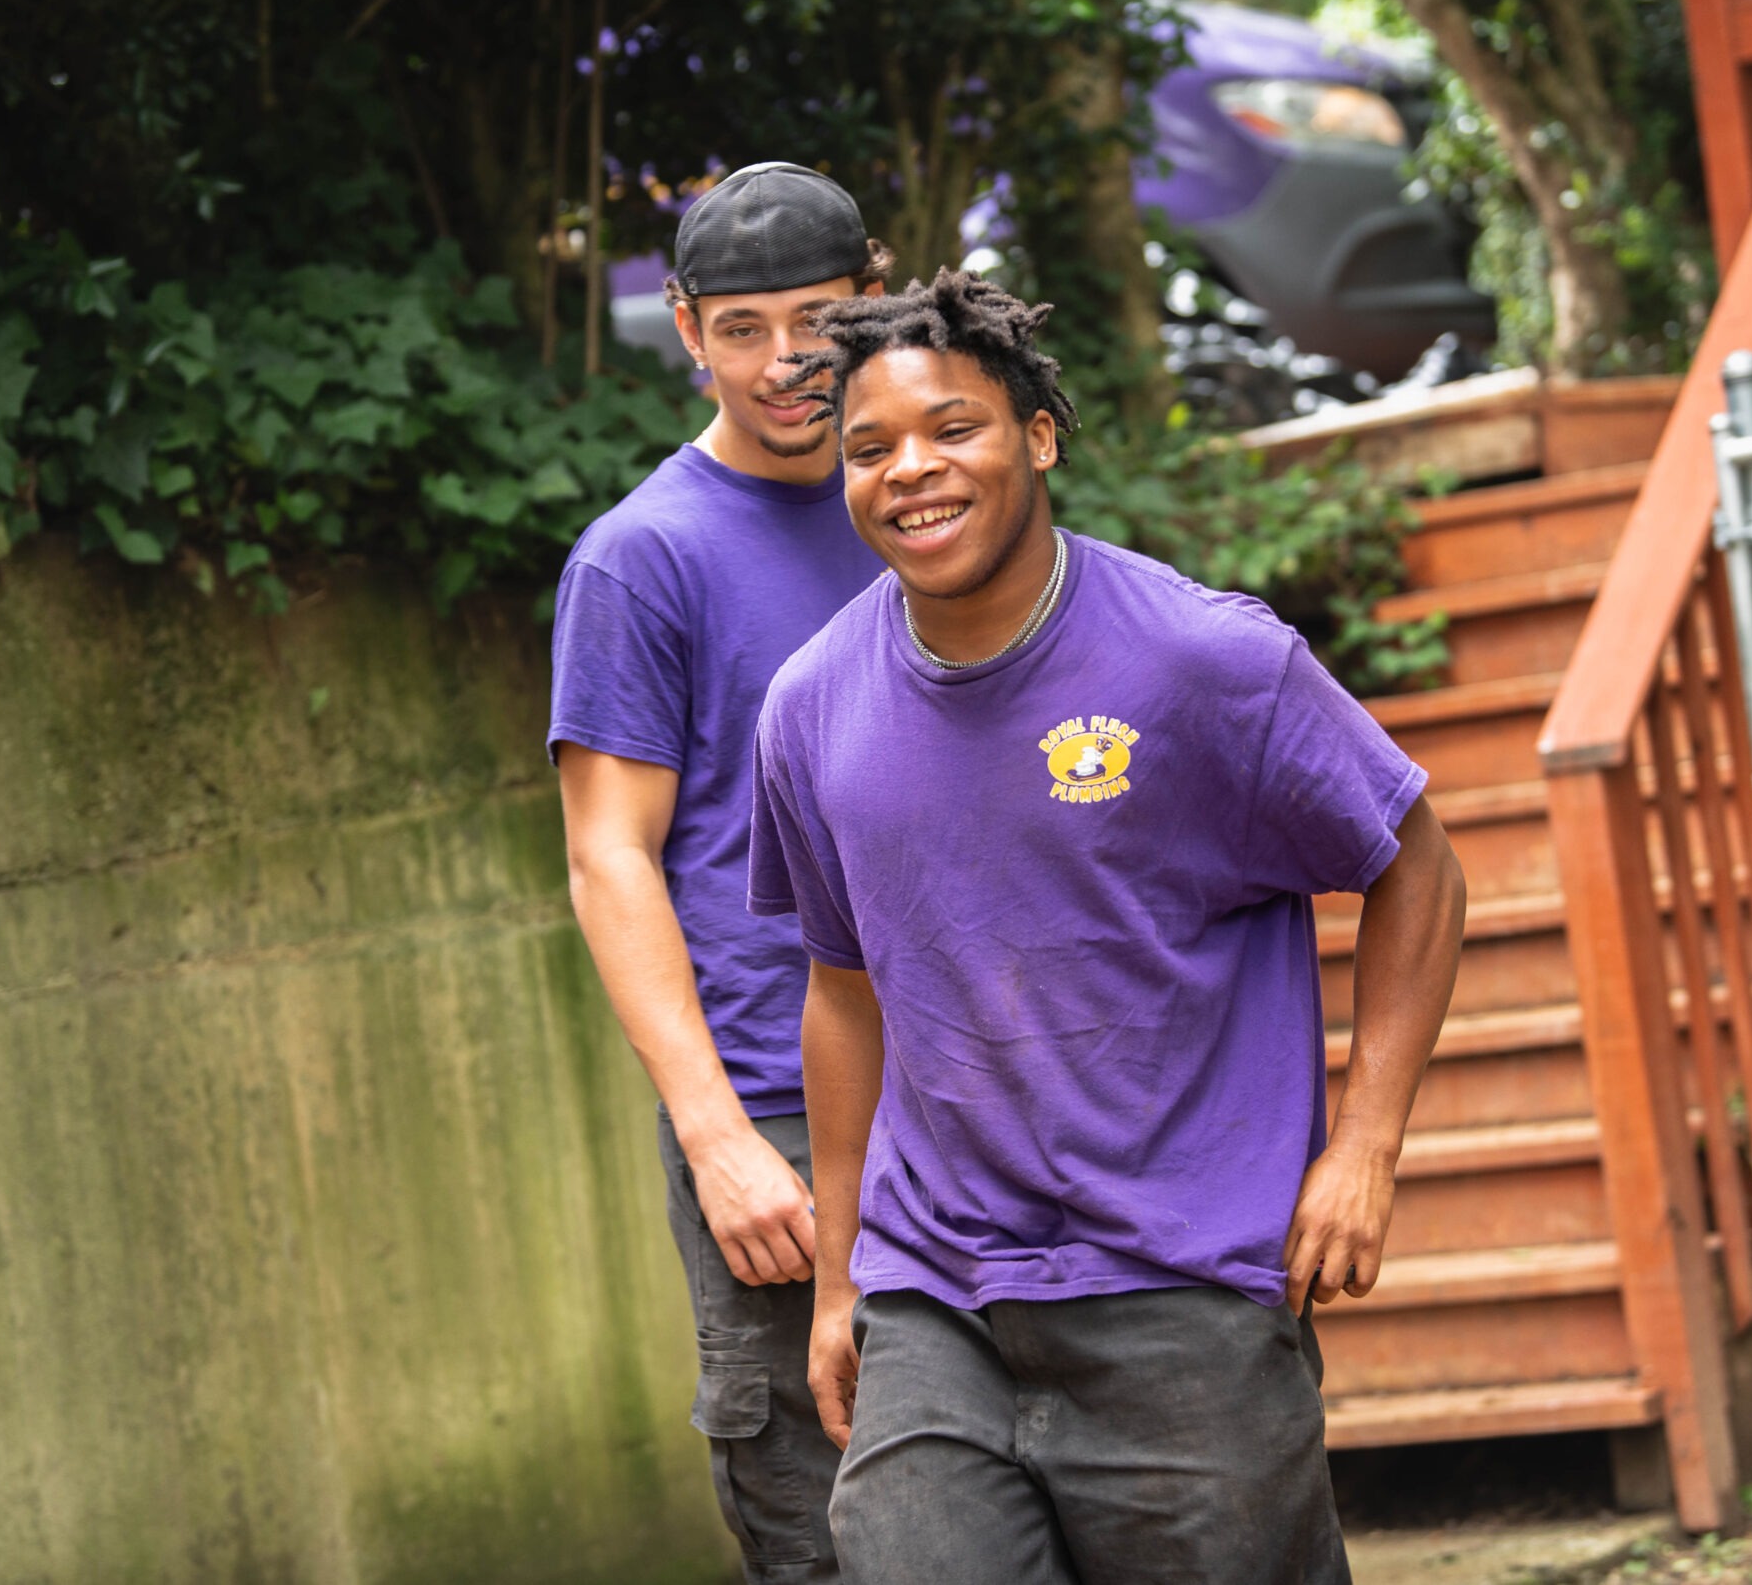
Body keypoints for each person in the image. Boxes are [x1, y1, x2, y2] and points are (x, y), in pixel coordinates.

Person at [748, 272, 1468, 1585]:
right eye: (869, 448)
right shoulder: (810, 708)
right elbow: (842, 993)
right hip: (936, 1292)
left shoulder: (1204, 661)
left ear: (1037, 436)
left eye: (953, 429)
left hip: (1180, 1286)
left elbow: (1416, 866)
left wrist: (1365, 1145)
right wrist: (843, 1280)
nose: (911, 471)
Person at [550, 163, 890, 1584]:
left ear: (875, 296)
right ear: (687, 331)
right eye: (741, 328)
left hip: (973, 1088)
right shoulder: (642, 561)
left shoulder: (928, 498)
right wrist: (716, 1137)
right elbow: (609, 857)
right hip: (774, 1110)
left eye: (817, 320)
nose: (784, 361)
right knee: (828, 1528)